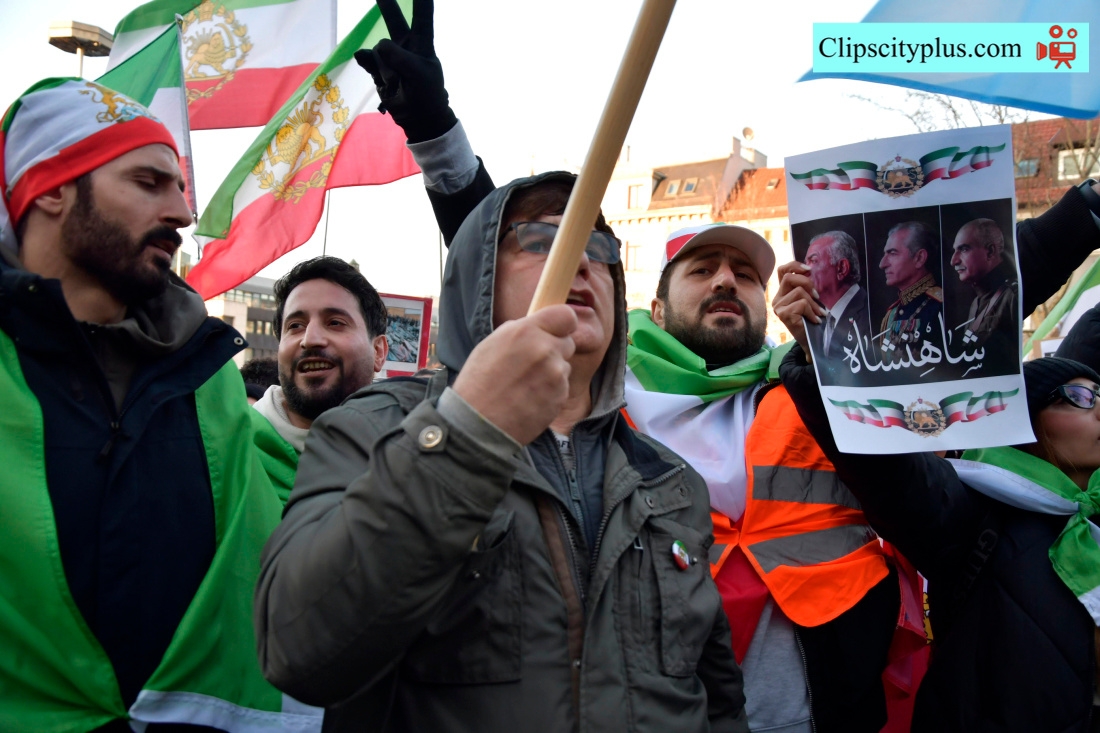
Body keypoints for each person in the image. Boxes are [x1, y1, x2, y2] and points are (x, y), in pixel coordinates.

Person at [254, 172, 749, 732]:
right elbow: (297, 648)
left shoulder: (670, 480)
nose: (580, 260)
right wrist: (468, 432)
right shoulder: (372, 428)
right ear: (478, 279)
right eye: (540, 240)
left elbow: (719, 703)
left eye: (597, 247)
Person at [0, 78, 320, 731]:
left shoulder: (208, 377)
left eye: (179, 187)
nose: (181, 212)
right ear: (50, 187)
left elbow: (286, 553)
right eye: (148, 183)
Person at [778, 348, 1100, 731]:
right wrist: (823, 354)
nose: (1098, 409)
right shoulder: (974, 513)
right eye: (1080, 397)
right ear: (1023, 424)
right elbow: (887, 466)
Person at [252, 256, 389, 456]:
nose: (310, 339)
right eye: (295, 326)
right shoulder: (228, 451)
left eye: (335, 323)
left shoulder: (413, 457)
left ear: (378, 351)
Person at [803, 230, 872, 384]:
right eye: (805, 262)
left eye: (813, 261)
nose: (804, 270)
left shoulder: (872, 315)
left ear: (841, 268)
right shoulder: (817, 320)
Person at [950, 218, 1019, 367]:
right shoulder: (977, 302)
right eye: (955, 251)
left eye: (964, 249)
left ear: (990, 252)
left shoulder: (1013, 295)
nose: (954, 261)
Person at [877, 221, 944, 369]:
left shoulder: (942, 306)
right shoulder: (891, 314)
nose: (882, 264)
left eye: (892, 253)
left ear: (919, 258)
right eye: (884, 254)